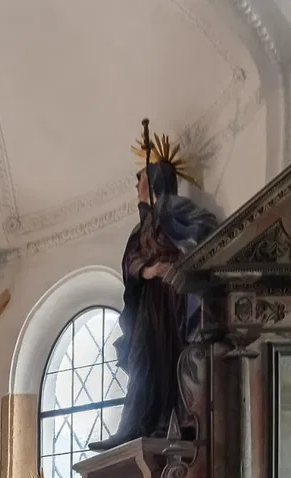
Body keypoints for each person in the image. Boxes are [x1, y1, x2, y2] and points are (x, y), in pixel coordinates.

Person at [88, 126, 218, 452]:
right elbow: (130, 261)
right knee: (145, 363)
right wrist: (148, 268)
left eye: (141, 178)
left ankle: (174, 422)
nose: (136, 185)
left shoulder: (173, 209)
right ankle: (134, 426)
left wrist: (176, 259)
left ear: (155, 179)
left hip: (175, 298)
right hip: (150, 303)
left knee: (176, 358)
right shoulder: (142, 225)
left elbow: (206, 232)